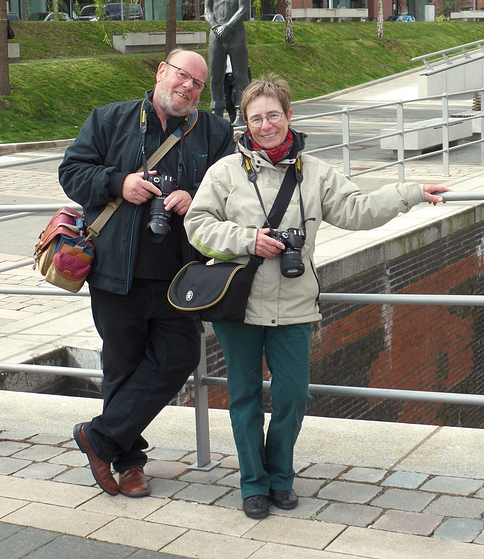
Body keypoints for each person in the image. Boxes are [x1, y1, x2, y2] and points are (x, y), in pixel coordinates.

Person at [184, 74, 449, 519]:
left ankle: (280, 477)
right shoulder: (226, 172)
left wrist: (410, 193)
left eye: (273, 115)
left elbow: (357, 210)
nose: (265, 125)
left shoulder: (317, 173)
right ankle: (254, 484)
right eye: (256, 118)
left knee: (292, 396)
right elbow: (197, 224)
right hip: (238, 305)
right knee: (244, 396)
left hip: (293, 303)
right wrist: (248, 239)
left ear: (289, 115)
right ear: (244, 125)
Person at [58, 48, 235, 498]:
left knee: (178, 357)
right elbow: (72, 172)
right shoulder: (109, 120)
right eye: (181, 76)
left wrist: (195, 197)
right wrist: (120, 183)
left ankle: (98, 437)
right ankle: (129, 463)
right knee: (122, 365)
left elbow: (234, 187)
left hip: (182, 277)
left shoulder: (214, 131)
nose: (188, 87)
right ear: (161, 72)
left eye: (197, 83)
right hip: (117, 274)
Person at [204, 0, 251, 127]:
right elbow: (207, 9)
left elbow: (244, 9)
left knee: (240, 75)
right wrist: (215, 26)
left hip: (236, 32)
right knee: (215, 73)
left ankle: (241, 112)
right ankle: (216, 112)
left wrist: (228, 27)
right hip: (216, 33)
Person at [224, 55, 252, 124]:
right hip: (225, 76)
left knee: (236, 98)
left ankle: (241, 120)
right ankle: (233, 121)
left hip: (239, 74)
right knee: (227, 101)